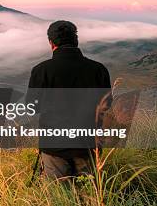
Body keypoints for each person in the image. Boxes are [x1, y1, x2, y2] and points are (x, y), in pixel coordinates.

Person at [27, 20, 111, 180]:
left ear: (51, 43)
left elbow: (32, 107)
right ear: (76, 41)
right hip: (88, 145)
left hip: (54, 147)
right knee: (89, 196)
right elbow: (106, 105)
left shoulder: (41, 70)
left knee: (59, 199)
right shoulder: (99, 70)